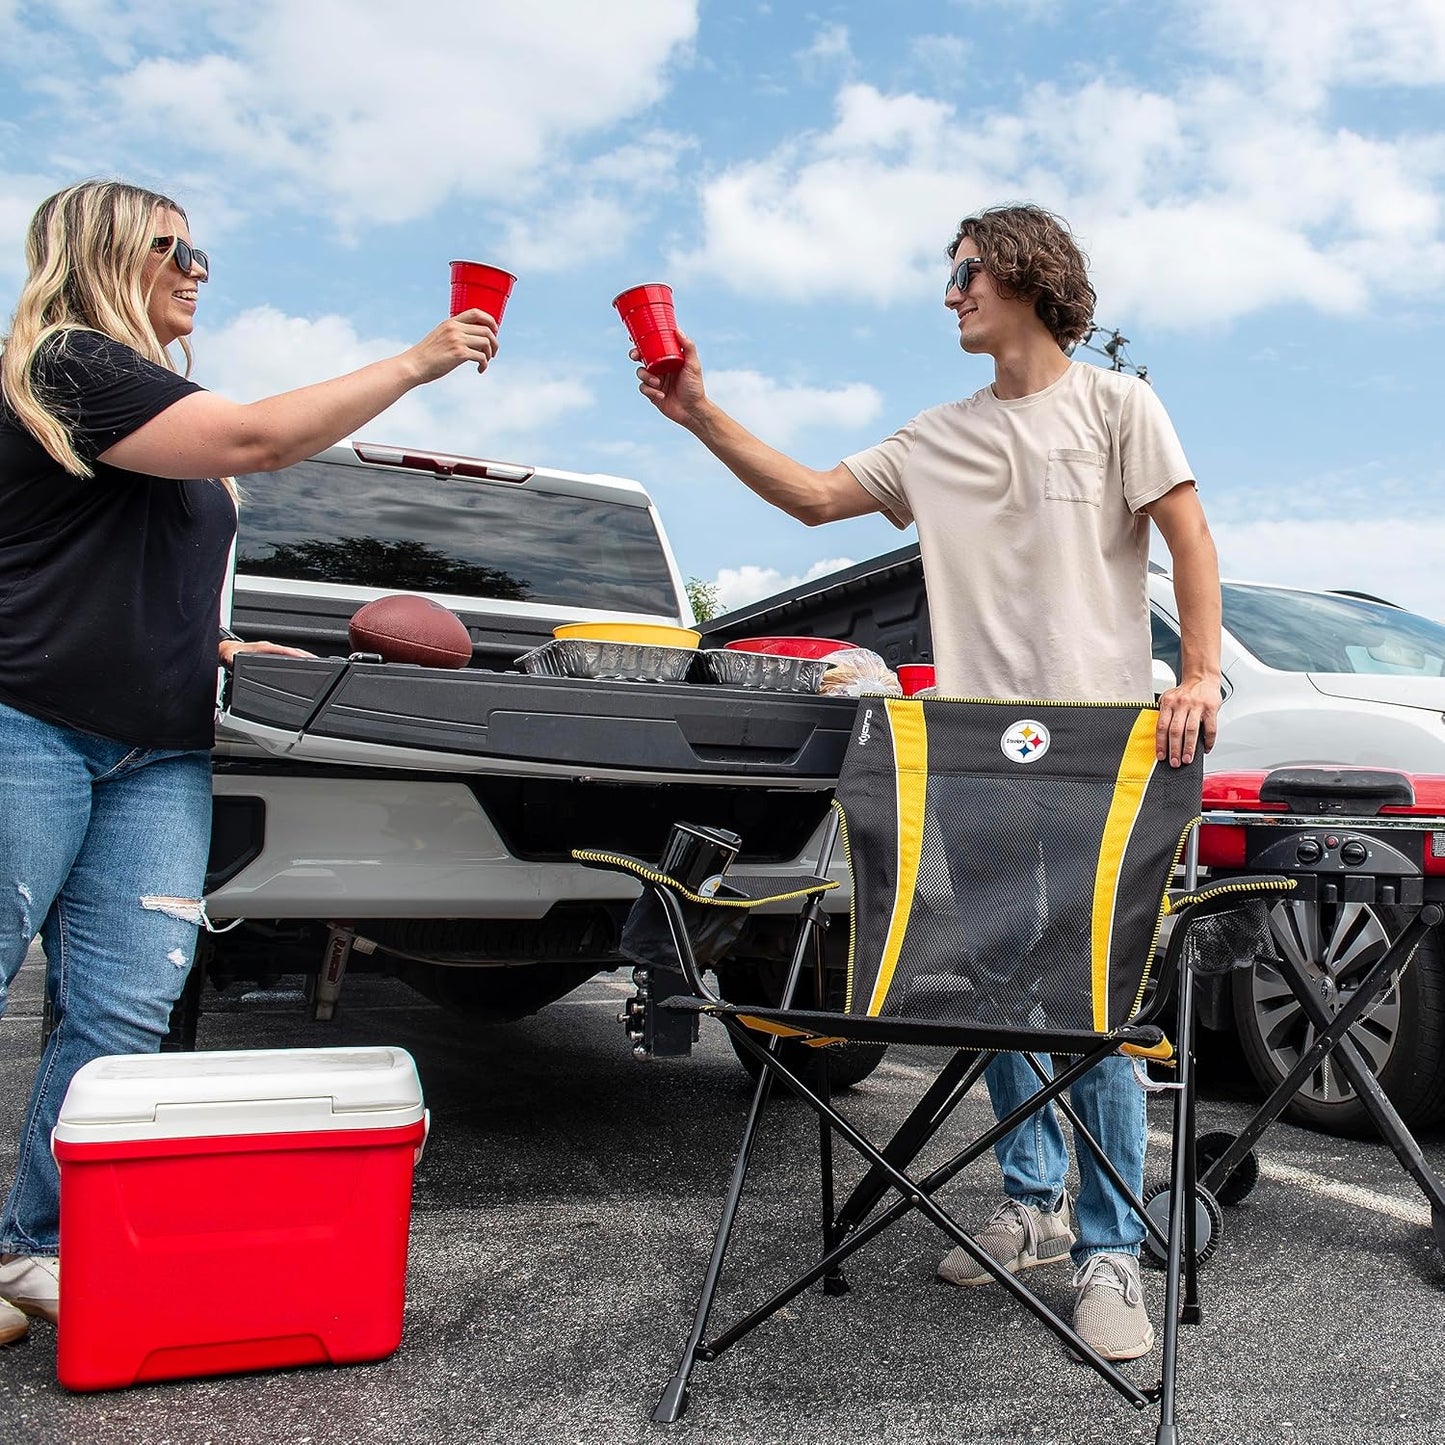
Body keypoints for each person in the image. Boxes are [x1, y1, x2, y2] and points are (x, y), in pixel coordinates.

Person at [630, 202, 1221, 1362]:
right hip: (974, 747)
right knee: (1000, 981)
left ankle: (1111, 1246)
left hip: (1101, 749)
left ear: (1023, 274)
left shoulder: (1115, 406)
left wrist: (1195, 672)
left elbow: (1188, 538)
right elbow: (808, 495)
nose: (946, 292)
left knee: (1089, 998)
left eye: (961, 272)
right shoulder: (937, 434)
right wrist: (698, 411)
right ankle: (1032, 1204)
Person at [0, 179, 499, 1343]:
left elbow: (120, 563)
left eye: (200, 249)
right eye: (172, 248)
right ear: (104, 254)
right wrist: (423, 357)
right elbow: (260, 437)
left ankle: (39, 1247)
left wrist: (220, 639)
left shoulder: (147, 402)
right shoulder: (68, 362)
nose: (198, 269)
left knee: (122, 1014)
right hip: (27, 720)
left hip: (160, 745)